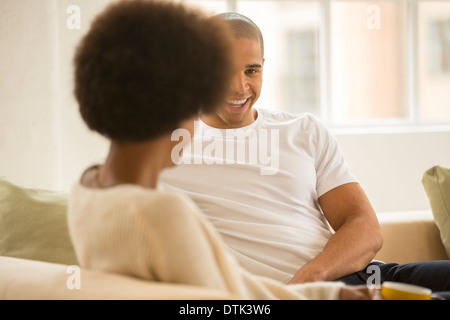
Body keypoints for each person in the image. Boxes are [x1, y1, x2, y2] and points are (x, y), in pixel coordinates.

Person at [67, 0, 379, 300]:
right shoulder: (164, 215)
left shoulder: (87, 192)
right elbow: (235, 300)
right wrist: (334, 295)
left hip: (345, 279)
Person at [159, 12, 450, 297]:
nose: (240, 87)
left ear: (263, 67)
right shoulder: (162, 148)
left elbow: (366, 229)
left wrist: (308, 281)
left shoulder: (303, 130)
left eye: (251, 71)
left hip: (363, 278)